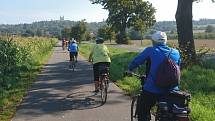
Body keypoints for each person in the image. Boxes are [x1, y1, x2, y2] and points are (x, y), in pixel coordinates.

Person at [127, 31, 181, 121]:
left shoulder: (150, 50)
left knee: (142, 110)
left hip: (152, 89)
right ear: (166, 41)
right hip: (172, 90)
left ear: (153, 41)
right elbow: (178, 68)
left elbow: (136, 61)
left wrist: (129, 69)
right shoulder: (176, 52)